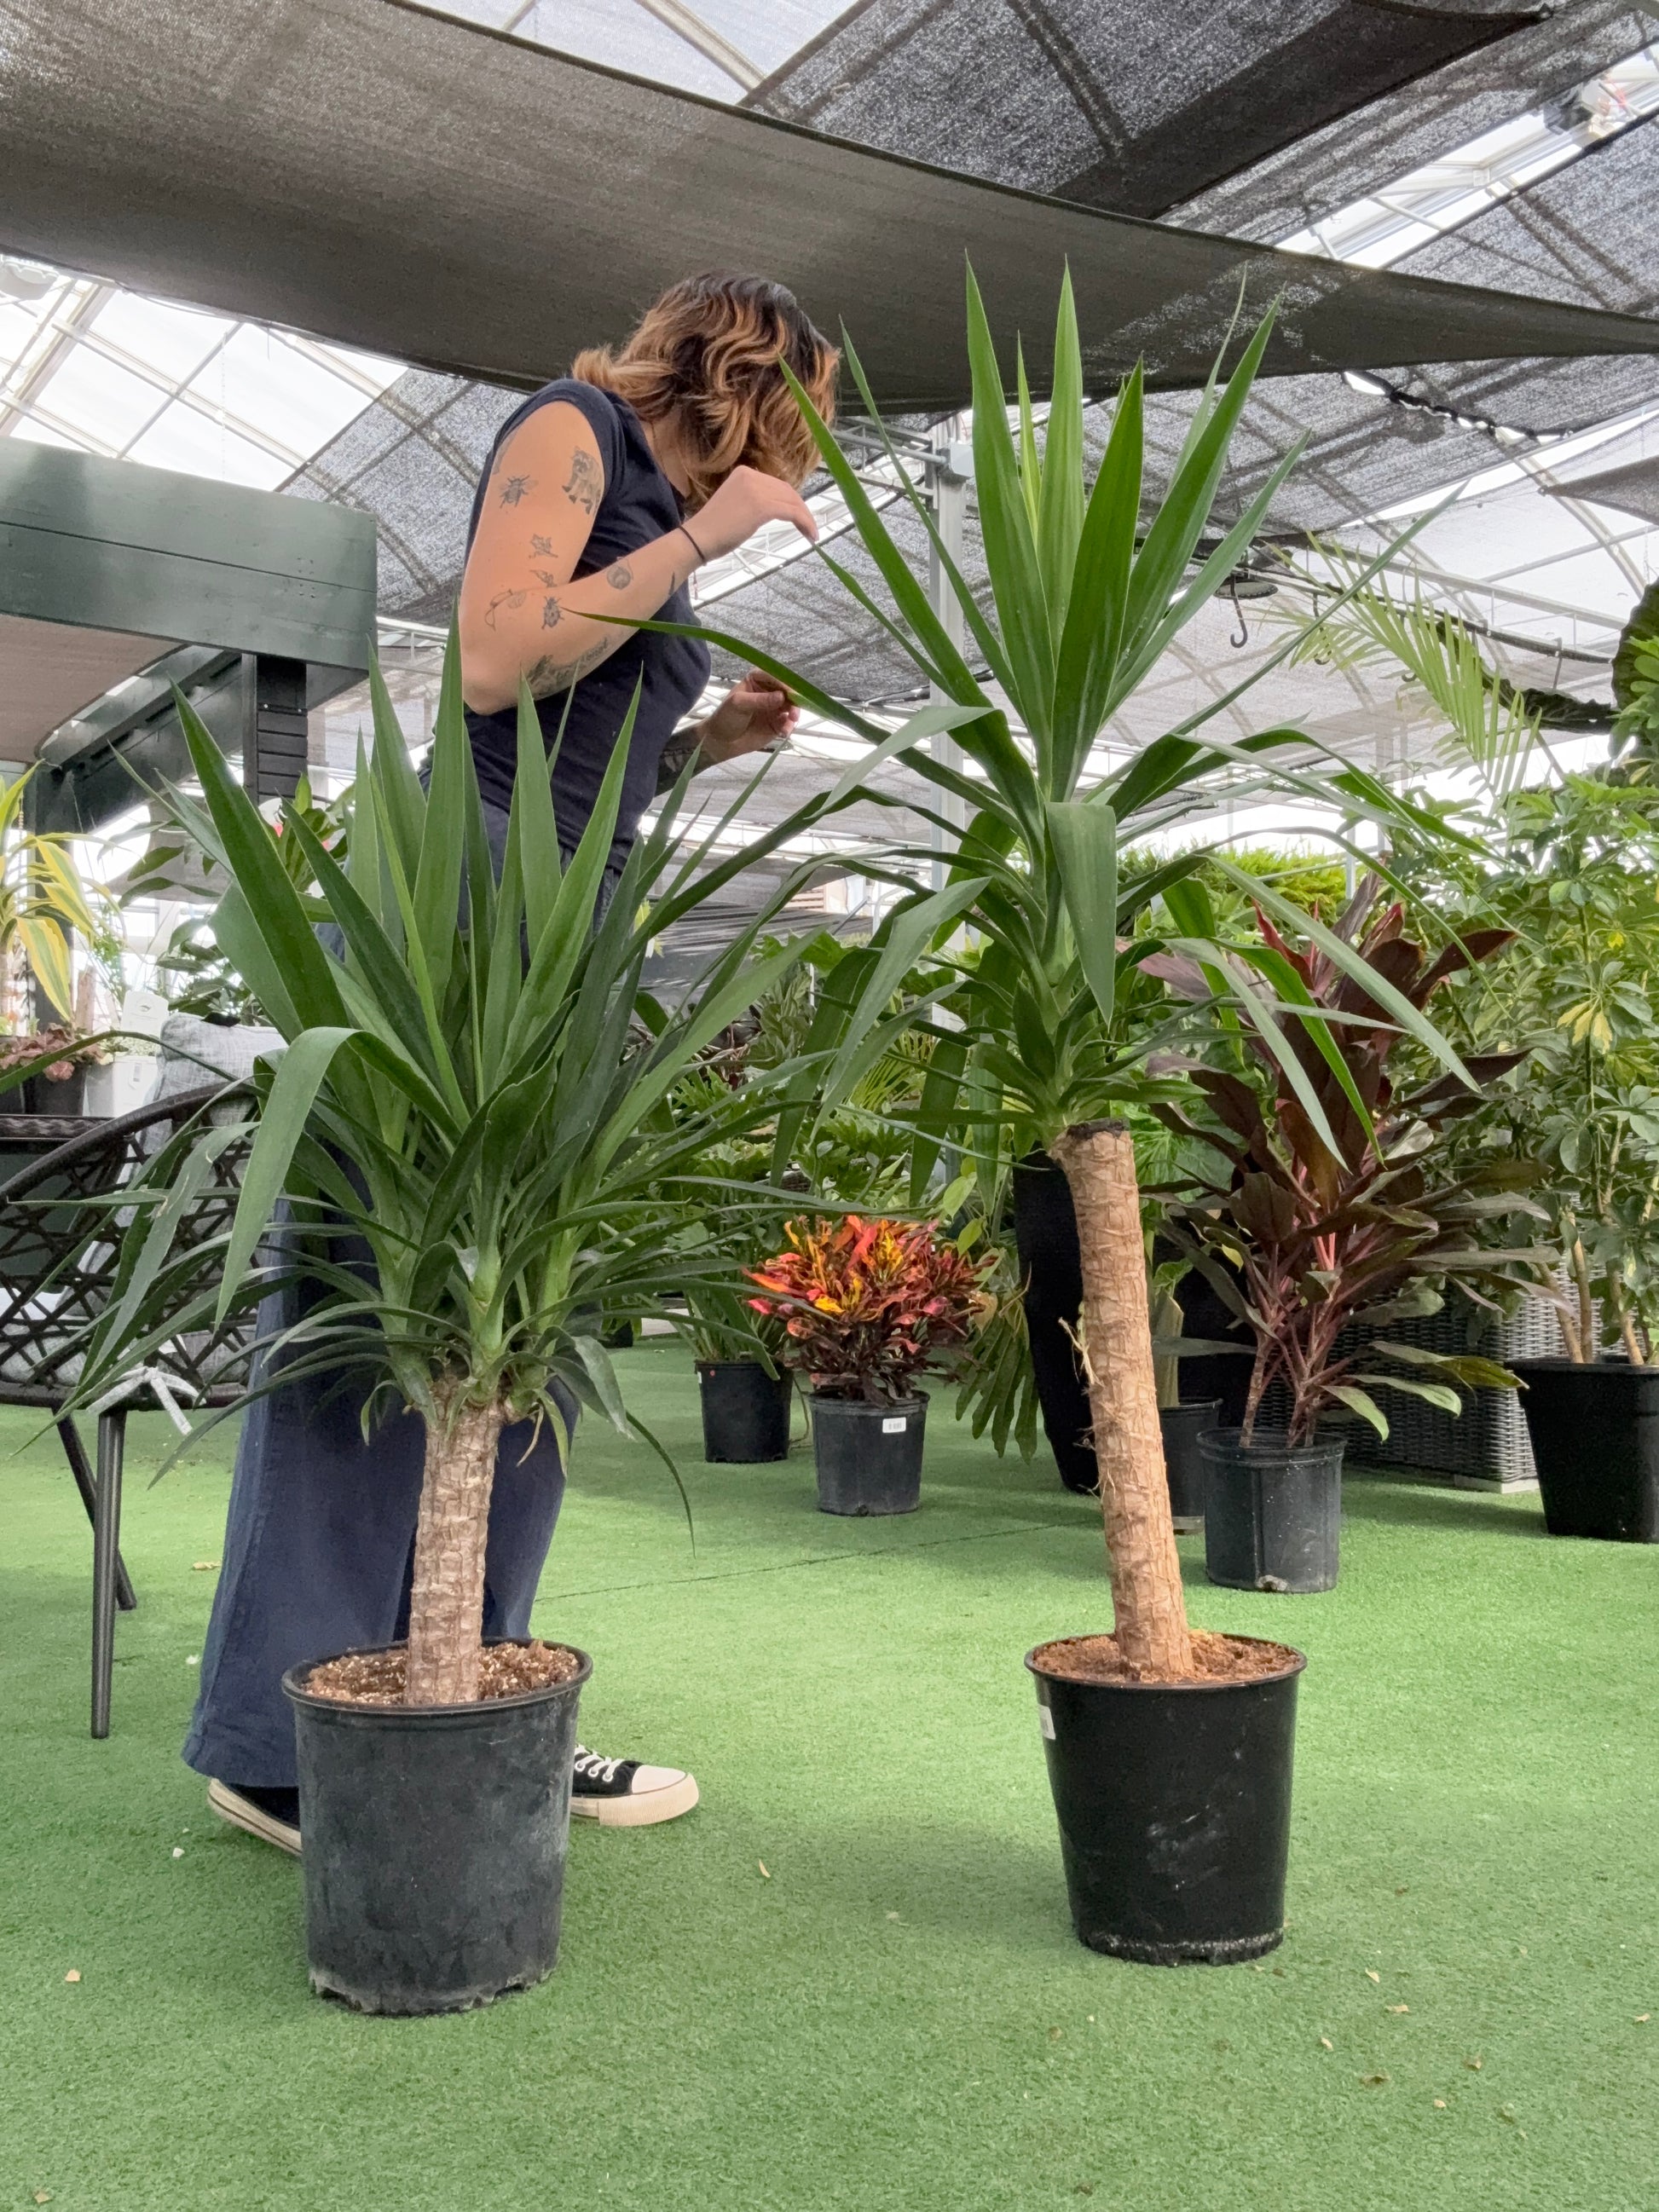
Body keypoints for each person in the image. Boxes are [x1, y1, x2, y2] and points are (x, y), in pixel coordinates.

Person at [194, 274, 837, 1853]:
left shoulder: (652, 515)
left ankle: (473, 1690)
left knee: (522, 1309)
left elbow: (583, 758)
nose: (802, 466)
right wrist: (713, 533)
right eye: (797, 428)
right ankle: (280, 1739)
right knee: (371, 1296)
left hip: (568, 906)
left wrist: (706, 742)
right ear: (742, 385)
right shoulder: (573, 435)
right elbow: (495, 668)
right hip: (461, 907)